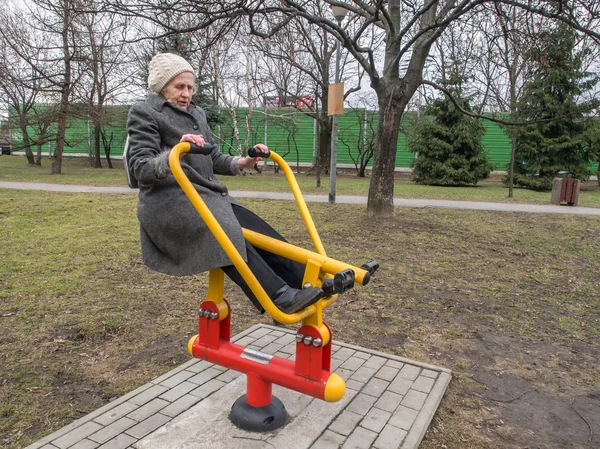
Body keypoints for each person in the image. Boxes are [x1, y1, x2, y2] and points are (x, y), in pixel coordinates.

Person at [126, 53, 327, 314]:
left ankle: (309, 279)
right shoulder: (145, 113)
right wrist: (178, 151)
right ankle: (277, 296)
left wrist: (243, 162)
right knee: (223, 235)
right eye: (179, 87)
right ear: (162, 87)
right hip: (169, 203)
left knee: (256, 227)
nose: (187, 93)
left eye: (190, 87)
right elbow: (139, 168)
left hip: (206, 197)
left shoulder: (196, 113)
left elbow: (213, 157)